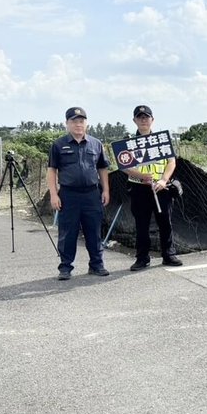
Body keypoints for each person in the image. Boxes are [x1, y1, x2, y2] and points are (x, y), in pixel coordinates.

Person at [46, 106, 111, 281]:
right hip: (69, 194)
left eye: (81, 121)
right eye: (74, 121)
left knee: (94, 231)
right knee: (68, 232)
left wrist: (106, 190)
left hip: (92, 194)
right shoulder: (58, 145)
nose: (78, 124)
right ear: (67, 123)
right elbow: (52, 170)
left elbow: (102, 168)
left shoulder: (96, 144)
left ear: (86, 123)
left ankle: (97, 265)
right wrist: (53, 194)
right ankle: (65, 267)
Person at [125, 104, 183, 270]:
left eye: (146, 117)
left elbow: (171, 162)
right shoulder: (129, 142)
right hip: (139, 188)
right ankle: (142, 258)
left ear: (152, 120)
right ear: (134, 120)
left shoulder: (162, 140)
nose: (143, 120)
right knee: (141, 225)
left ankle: (169, 254)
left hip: (160, 187)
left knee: (165, 222)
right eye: (140, 117)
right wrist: (141, 176)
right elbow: (124, 166)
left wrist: (164, 180)